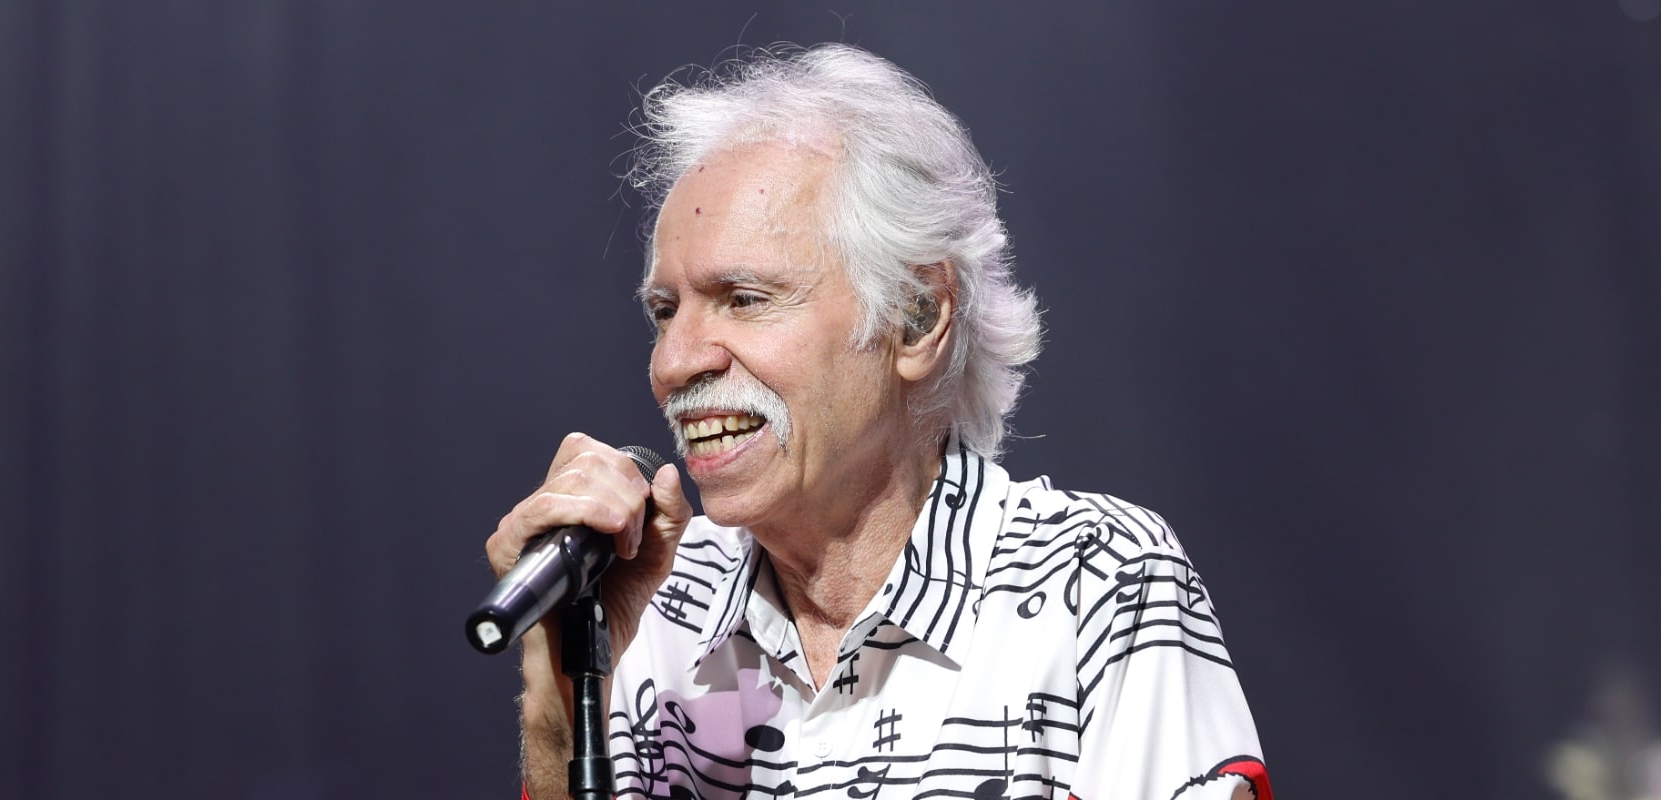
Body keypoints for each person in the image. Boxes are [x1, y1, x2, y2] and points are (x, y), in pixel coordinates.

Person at [485, 44, 1268, 800]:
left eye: (745, 299)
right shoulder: (651, 607)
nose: (674, 362)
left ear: (917, 317)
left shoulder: (1095, 584)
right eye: (665, 311)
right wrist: (560, 703)